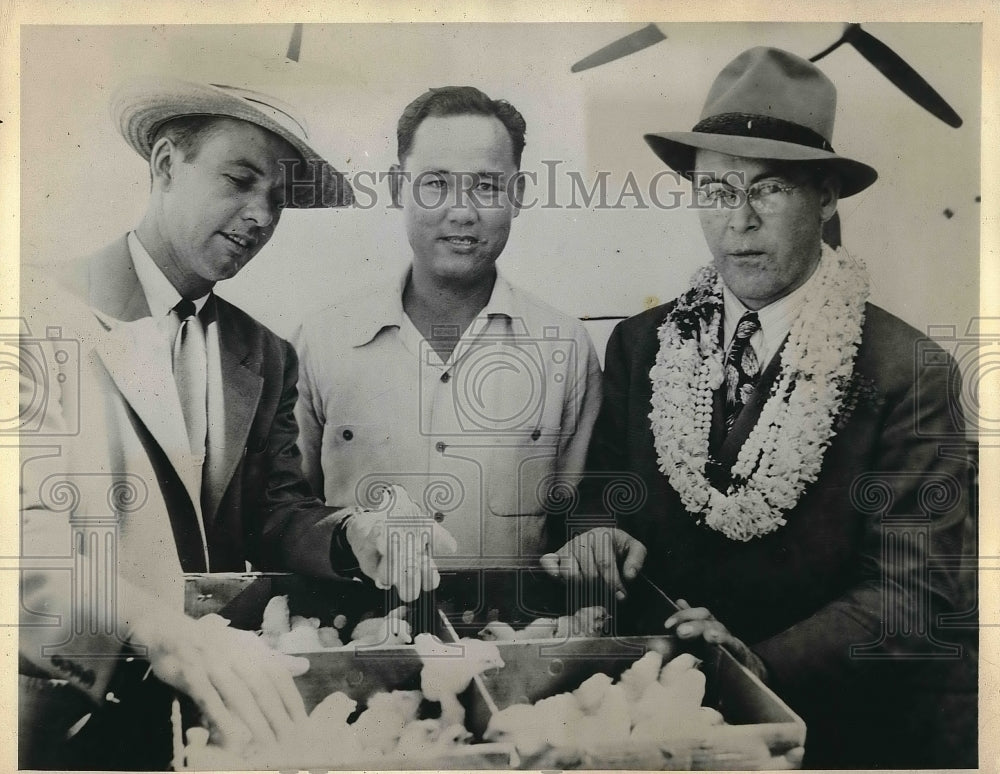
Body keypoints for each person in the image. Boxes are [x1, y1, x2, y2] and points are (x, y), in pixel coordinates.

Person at [543, 48, 976, 767]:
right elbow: (601, 497)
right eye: (716, 190)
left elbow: (910, 591)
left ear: (828, 195)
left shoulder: (911, 370)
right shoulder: (641, 345)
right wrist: (596, 534)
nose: (737, 221)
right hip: (656, 717)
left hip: (830, 732)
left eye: (768, 189)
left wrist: (759, 663)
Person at [18, 77, 456, 768]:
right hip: (65, 724)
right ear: (165, 165)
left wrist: (356, 535)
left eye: (277, 200)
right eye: (239, 180)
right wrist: (161, 632)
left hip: (210, 724)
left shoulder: (264, 354)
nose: (258, 216)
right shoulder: (33, 311)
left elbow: (277, 516)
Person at [293, 86, 602, 567]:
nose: (462, 211)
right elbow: (291, 520)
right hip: (358, 634)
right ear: (398, 188)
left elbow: (578, 530)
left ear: (517, 195)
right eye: (435, 182)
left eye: (486, 185)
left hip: (510, 634)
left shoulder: (566, 348)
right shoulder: (322, 342)